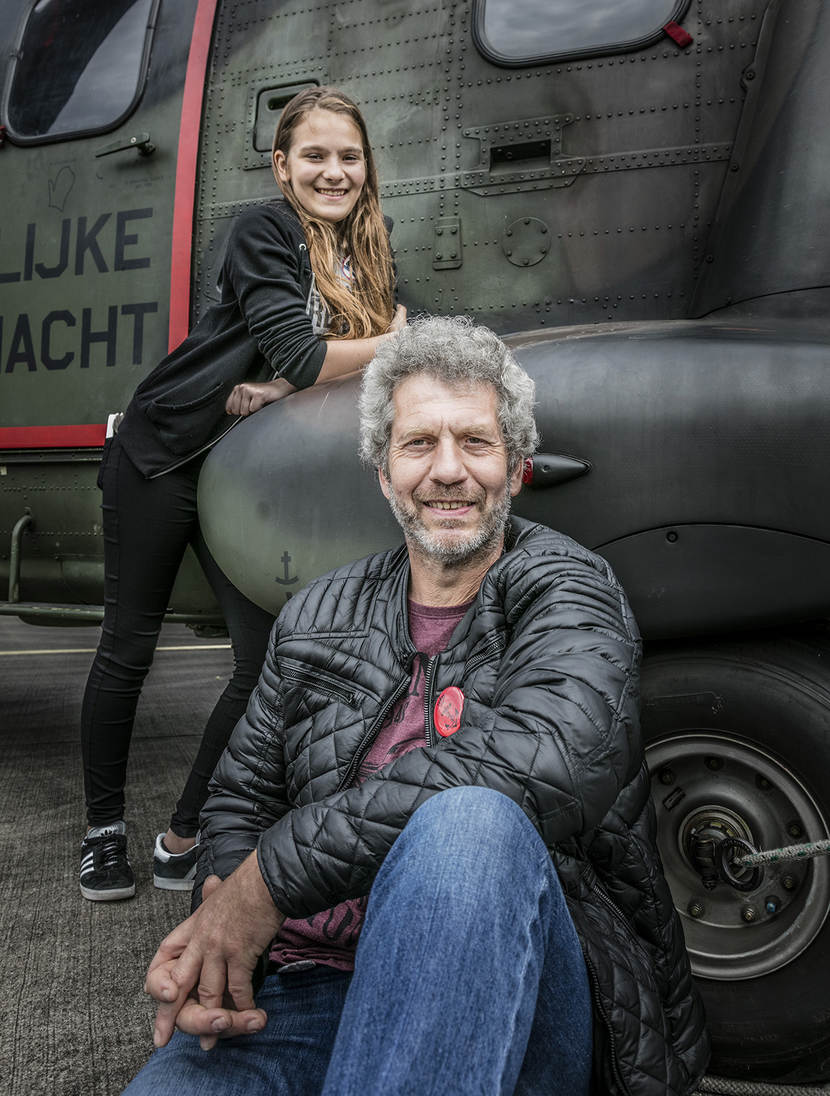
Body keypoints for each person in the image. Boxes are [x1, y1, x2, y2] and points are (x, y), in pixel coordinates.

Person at [126, 316, 709, 1095]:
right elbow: (241, 798)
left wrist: (267, 884)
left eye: (476, 442)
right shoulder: (317, 611)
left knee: (470, 825)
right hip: (305, 989)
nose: (448, 470)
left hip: (518, 983)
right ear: (383, 471)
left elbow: (550, 761)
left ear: (516, 467)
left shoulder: (571, 590)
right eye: (418, 444)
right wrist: (225, 940)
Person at [79, 87, 405, 902]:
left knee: (262, 664)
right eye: (315, 156)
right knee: (128, 647)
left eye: (350, 156)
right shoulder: (262, 229)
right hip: (164, 454)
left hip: (244, 469)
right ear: (282, 166)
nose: (334, 172)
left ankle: (185, 833)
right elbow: (308, 353)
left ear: (367, 166)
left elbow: (332, 359)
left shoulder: (366, 247)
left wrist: (287, 386)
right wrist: (385, 344)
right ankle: (102, 833)